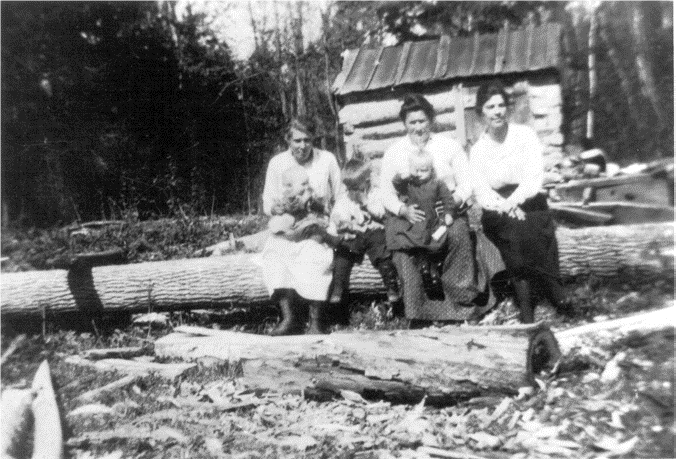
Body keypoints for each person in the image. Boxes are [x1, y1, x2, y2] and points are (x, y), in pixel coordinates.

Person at [469, 79, 572, 324]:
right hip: (496, 207)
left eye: (501, 105)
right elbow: (482, 191)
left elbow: (533, 178)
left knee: (535, 226)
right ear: (481, 112)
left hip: (527, 198)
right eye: (490, 107)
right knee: (514, 231)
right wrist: (505, 205)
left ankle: (551, 290)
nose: (497, 111)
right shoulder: (479, 149)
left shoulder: (524, 136)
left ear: (507, 107)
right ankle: (529, 303)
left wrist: (514, 201)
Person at [380, 93, 482, 321]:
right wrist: (402, 210)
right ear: (405, 124)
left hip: (445, 212)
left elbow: (467, 183)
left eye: (422, 121)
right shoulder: (394, 152)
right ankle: (419, 311)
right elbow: (385, 192)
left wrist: (452, 204)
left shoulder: (449, 146)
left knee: (458, 233)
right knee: (403, 252)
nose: (418, 128)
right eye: (412, 122)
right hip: (411, 216)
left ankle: (462, 302)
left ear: (431, 120)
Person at [259, 118, 342, 335]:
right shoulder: (277, 163)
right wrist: (277, 208)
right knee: (274, 253)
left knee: (314, 253)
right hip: (289, 225)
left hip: (317, 223)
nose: (302, 146)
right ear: (288, 140)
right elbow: (267, 201)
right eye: (297, 140)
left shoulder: (327, 160)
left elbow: (341, 196)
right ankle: (289, 317)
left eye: (307, 140)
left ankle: (316, 320)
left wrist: (330, 220)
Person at [328, 158, 401, 310]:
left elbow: (381, 213)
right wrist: (340, 221)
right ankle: (338, 287)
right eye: (348, 187)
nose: (352, 191)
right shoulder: (345, 197)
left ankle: (391, 286)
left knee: (381, 249)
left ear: (366, 180)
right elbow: (338, 214)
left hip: (374, 231)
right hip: (356, 233)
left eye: (355, 187)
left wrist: (365, 203)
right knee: (343, 251)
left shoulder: (376, 193)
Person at [387, 150, 458, 299]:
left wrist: (449, 213)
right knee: (412, 239)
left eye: (424, 170)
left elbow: (448, 199)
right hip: (415, 221)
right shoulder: (409, 184)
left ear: (431, 170)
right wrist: (402, 176)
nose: (419, 174)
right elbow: (396, 184)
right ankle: (423, 264)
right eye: (415, 170)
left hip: (431, 221)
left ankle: (432, 268)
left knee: (436, 240)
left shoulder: (437, 183)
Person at [267, 165, 329, 243]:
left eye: (307, 183)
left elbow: (315, 205)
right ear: (290, 186)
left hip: (302, 224)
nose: (307, 186)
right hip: (293, 226)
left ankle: (313, 244)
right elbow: (291, 208)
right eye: (304, 184)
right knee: (313, 229)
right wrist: (275, 209)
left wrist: (324, 209)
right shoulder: (290, 197)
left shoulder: (307, 194)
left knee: (316, 230)